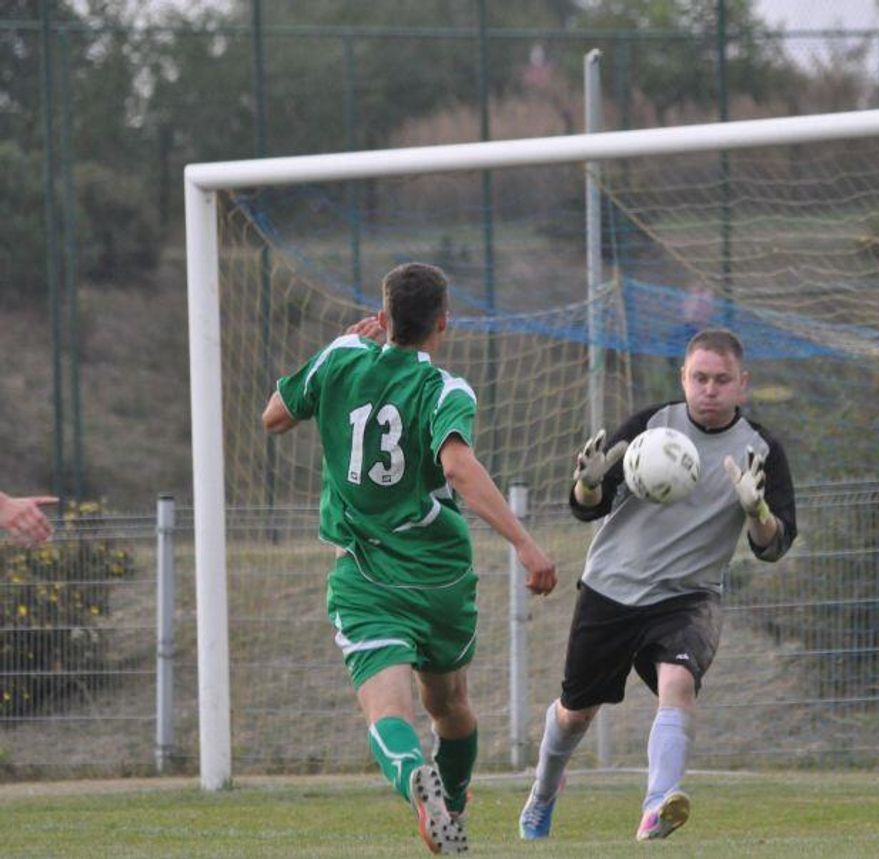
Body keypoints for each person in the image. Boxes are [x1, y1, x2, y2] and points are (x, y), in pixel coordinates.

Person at [262, 262, 556, 855]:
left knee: (386, 710)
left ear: (384, 314)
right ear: (444, 321)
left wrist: (342, 344)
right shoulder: (446, 390)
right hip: (439, 576)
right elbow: (456, 467)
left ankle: (418, 789)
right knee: (449, 707)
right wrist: (524, 544)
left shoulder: (341, 358)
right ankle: (453, 794)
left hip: (366, 575)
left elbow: (273, 418)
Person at [518, 327, 796, 843]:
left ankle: (655, 809)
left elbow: (773, 545)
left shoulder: (761, 450)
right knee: (576, 714)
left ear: (743, 385)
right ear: (683, 378)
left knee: (678, 684)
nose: (709, 389)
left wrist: (756, 509)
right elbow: (585, 507)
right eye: (699, 378)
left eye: (721, 380)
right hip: (612, 588)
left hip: (688, 597)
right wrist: (588, 480)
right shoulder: (651, 426)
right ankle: (542, 794)